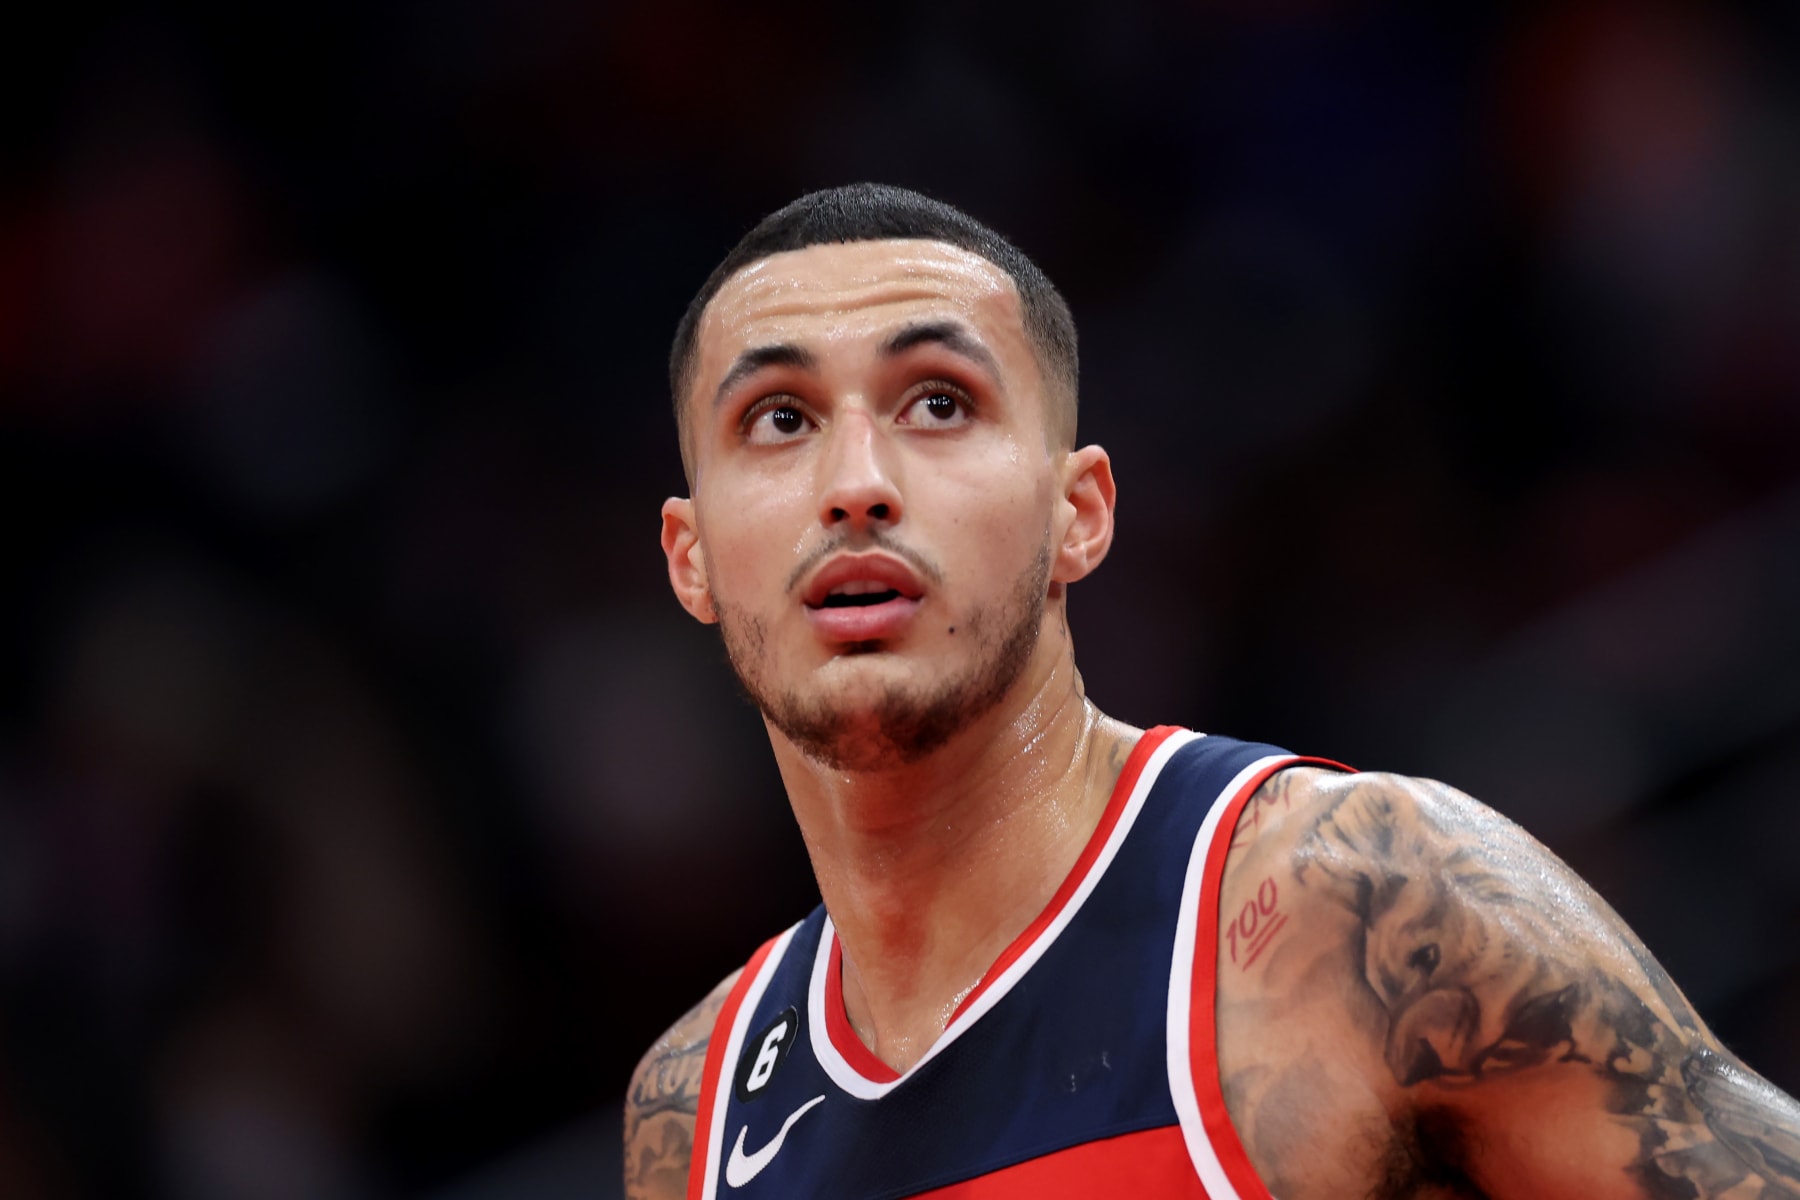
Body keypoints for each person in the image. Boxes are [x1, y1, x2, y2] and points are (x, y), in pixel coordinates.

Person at [624, 183, 1800, 1199]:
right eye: (778, 420)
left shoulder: (1360, 909)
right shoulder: (694, 1108)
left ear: (1077, 514)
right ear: (692, 558)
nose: (857, 484)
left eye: (939, 402)